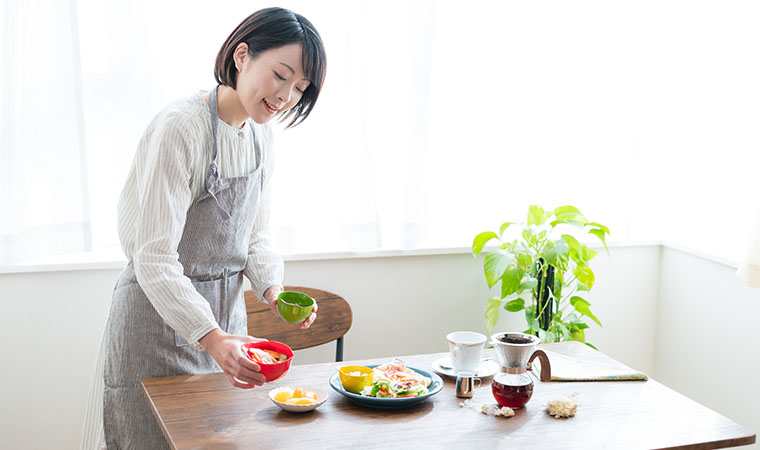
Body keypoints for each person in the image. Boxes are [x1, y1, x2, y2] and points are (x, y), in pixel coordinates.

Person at [96, 7, 326, 449]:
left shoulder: (261, 136)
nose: (285, 96)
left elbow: (255, 235)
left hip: (226, 323)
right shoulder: (180, 127)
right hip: (156, 321)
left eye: (299, 88)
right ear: (242, 56)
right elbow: (154, 256)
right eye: (280, 75)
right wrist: (212, 337)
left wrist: (274, 293)